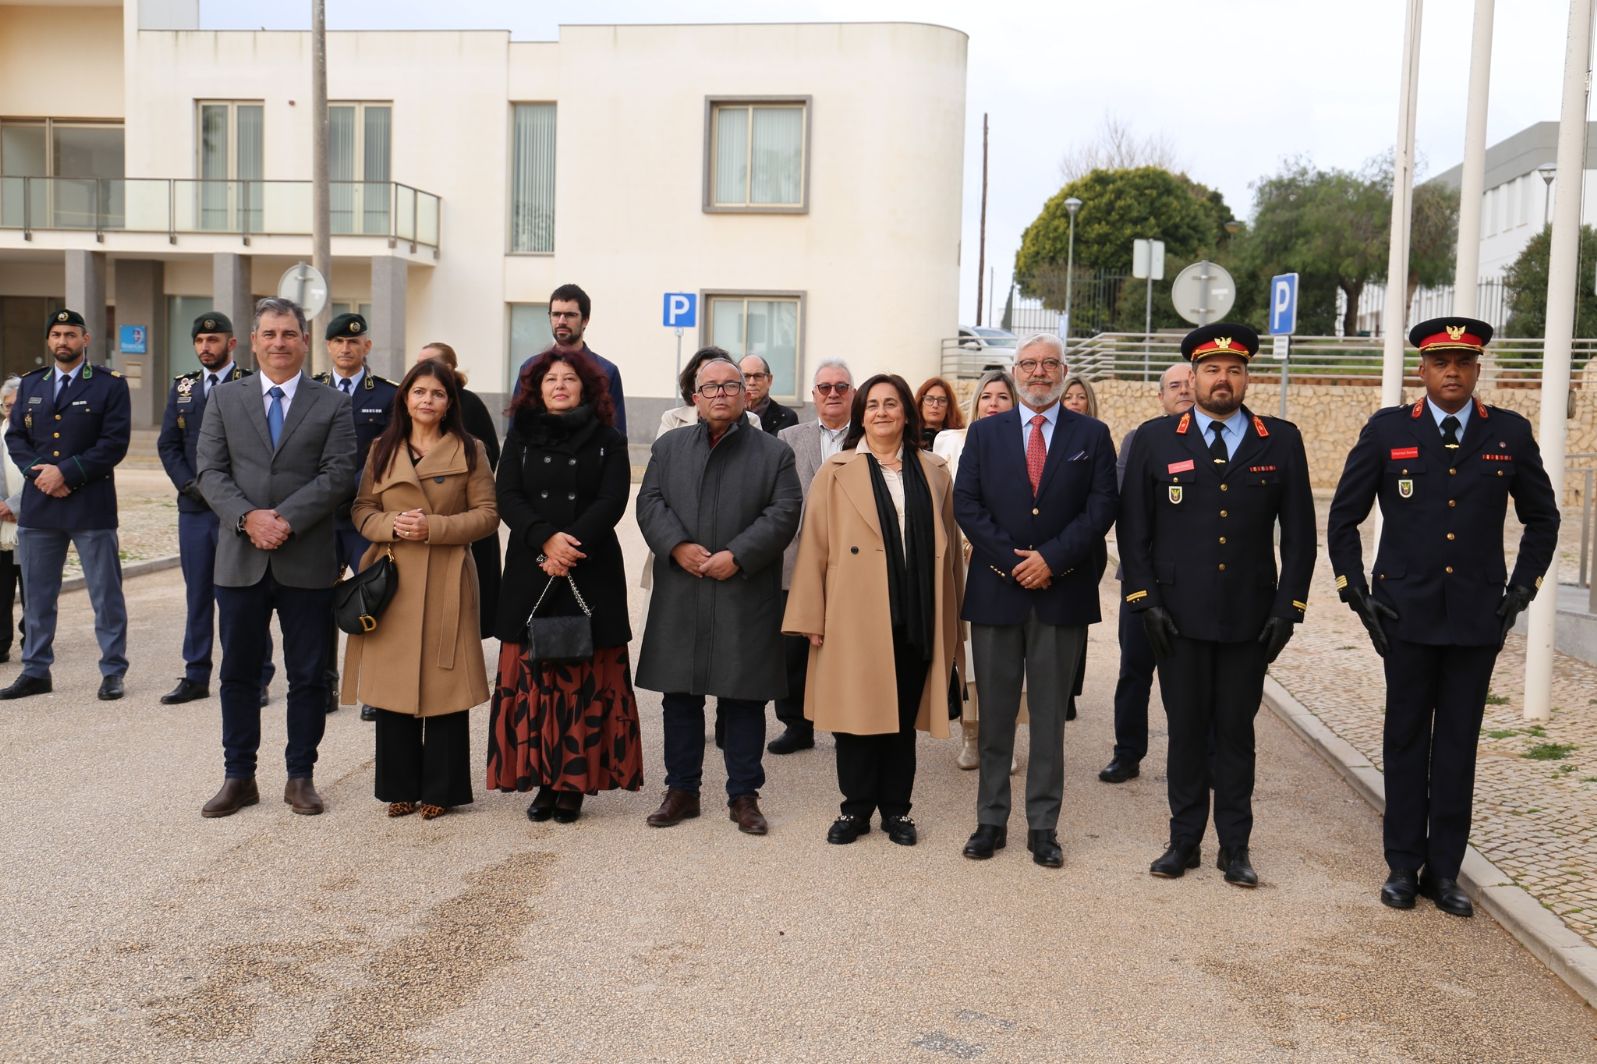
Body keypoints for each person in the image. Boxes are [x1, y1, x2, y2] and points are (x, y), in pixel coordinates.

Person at [1327, 316, 1558, 917]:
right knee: (1406, 739)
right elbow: (1344, 517)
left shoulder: (1508, 432)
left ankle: (1445, 871)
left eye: (1463, 362)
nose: (1451, 372)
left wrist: (1523, 588)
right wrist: (1355, 590)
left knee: (1458, 744)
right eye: (1440, 362)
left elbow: (1543, 518)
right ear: (1422, 369)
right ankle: (1403, 866)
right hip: (1404, 613)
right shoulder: (1387, 431)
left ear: (1477, 368)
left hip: (1478, 616)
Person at [1119, 323, 1315, 888]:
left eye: (1233, 369)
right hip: (1176, 618)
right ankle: (1183, 841)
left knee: (1235, 733)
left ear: (1247, 377)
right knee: (1184, 732)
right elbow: (1133, 530)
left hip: (1249, 618)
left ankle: (1235, 846)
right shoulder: (1157, 439)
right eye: (1211, 370)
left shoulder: (1280, 439)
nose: (1222, 379)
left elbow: (1300, 535)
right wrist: (1145, 601)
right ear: (1194, 377)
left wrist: (1288, 608)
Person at [953, 333, 1118, 868]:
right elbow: (966, 504)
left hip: (1061, 593)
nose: (1039, 372)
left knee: (1048, 720)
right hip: (996, 593)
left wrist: (1051, 560)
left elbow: (1101, 508)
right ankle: (990, 820)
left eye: (1049, 363)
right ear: (1015, 371)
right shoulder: (985, 432)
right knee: (995, 715)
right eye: (1029, 364)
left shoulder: (1092, 435)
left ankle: (1043, 827)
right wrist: (1013, 562)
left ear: (1064, 371)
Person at [194, 297, 357, 818]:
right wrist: (248, 519)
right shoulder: (225, 399)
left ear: (305, 341)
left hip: (306, 559)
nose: (279, 343)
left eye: (289, 333)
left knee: (308, 675)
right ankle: (238, 776)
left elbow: (339, 473)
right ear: (254, 340)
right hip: (240, 560)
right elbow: (210, 471)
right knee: (239, 674)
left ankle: (300, 776)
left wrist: (284, 519)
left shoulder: (331, 403)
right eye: (270, 334)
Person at [784, 373, 963, 846]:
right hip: (853, 611)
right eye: (873, 405)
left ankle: (897, 810)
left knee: (902, 718)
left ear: (906, 412)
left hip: (917, 610)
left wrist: (954, 615)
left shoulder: (934, 470)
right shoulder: (836, 471)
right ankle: (855, 808)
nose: (881, 412)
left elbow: (949, 547)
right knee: (855, 715)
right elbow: (814, 546)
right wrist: (810, 615)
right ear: (861, 416)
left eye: (891, 403)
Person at [635, 357, 802, 835]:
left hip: (743, 589)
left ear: (746, 395)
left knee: (745, 696)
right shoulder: (669, 447)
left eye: (731, 385)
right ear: (695, 397)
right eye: (710, 387)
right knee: (679, 696)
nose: (721, 394)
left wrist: (739, 555)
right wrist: (677, 546)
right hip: (682, 587)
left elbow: (785, 510)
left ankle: (744, 795)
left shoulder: (774, 453)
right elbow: (650, 502)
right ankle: (681, 791)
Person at [488, 347, 642, 823]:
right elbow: (507, 495)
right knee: (534, 680)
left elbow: (613, 498)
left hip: (588, 566)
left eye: (569, 379)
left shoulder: (609, 439)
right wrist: (545, 541)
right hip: (533, 566)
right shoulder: (520, 436)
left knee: (584, 681)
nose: (559, 385)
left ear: (586, 388)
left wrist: (570, 546)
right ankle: (541, 780)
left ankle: (573, 783)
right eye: (550, 379)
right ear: (537, 389)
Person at [340, 359, 498, 820]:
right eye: (419, 391)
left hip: (447, 575)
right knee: (393, 683)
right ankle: (399, 787)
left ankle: (442, 789)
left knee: (445, 685)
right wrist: (392, 524)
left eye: (437, 393)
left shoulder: (470, 450)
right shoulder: (382, 448)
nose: (427, 400)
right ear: (405, 398)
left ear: (450, 403)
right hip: (391, 580)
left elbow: (488, 515)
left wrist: (435, 528)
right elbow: (362, 509)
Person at [0, 308, 131, 702]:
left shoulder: (109, 385)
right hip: (40, 507)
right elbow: (16, 438)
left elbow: (113, 443)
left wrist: (66, 474)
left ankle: (113, 671)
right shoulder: (31, 384)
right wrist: (40, 474)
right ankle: (36, 671)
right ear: (49, 340)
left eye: (71, 334)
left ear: (85, 339)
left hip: (90, 505)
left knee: (105, 595)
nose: (63, 341)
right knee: (38, 596)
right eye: (56, 334)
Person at [156, 312, 274, 707]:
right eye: (200, 341)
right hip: (195, 508)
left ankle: (257, 674)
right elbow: (169, 445)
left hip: (239, 510)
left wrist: (229, 497)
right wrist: (191, 485)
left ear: (232, 343)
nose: (206, 347)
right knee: (198, 594)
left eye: (214, 340)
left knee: (245, 595)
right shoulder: (183, 387)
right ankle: (196, 674)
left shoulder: (250, 384)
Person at [1100, 362, 1193, 784]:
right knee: (1134, 671)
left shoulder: (1218, 440)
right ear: (1161, 396)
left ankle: (1194, 757)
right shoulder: (1140, 439)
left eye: (1189, 383)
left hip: (1194, 582)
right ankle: (1127, 753)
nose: (1183, 390)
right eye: (1174, 385)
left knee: (1190, 678)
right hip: (1142, 576)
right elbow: (1123, 503)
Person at [315, 312, 399, 720]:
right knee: (317, 603)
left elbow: (387, 454)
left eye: (353, 342)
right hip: (320, 519)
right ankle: (324, 686)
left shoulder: (387, 394)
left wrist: (345, 488)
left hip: (364, 516)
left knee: (371, 600)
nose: (346, 348)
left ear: (367, 346)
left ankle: (374, 688)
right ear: (328, 346)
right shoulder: (311, 390)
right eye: (338, 342)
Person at [932, 368, 1018, 770]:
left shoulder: (1026, 443)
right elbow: (944, 500)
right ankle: (971, 734)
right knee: (966, 652)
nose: (994, 404)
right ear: (976, 401)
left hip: (1006, 559)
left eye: (1002, 396)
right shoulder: (950, 441)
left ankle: (1003, 738)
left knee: (1008, 655)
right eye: (987, 396)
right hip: (961, 562)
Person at [769, 359, 855, 755]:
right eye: (825, 387)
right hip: (797, 557)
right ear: (813, 394)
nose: (833, 393)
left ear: (853, 393)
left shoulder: (868, 435)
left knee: (845, 647)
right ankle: (796, 725)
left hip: (852, 562)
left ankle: (844, 725)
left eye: (841, 386)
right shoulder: (788, 437)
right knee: (793, 650)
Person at [416, 341, 502, 638]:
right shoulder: (413, 406)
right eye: (419, 363)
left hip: (463, 511)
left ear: (450, 368)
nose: (424, 369)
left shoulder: (470, 404)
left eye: (430, 362)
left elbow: (489, 454)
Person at [517, 284, 627, 437]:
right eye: (556, 314)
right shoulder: (531, 368)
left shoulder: (606, 371)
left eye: (570, 315)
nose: (561, 321)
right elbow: (517, 428)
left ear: (585, 320)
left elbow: (617, 434)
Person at [1058, 375, 1105, 723]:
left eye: (1080, 396)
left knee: (1075, 620)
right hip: (1048, 539)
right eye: (1068, 396)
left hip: (1086, 544)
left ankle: (1069, 691)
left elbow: (1103, 496)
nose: (1075, 402)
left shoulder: (1097, 436)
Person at [656, 346, 762, 437]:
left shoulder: (750, 421)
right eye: (708, 381)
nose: (719, 392)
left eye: (728, 384)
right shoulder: (673, 419)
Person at [0, 376, 22, 663]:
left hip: (30, 522)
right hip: (1, 527)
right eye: (7, 405)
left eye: (17, 405)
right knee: (1, 589)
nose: (11, 411)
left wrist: (15, 507)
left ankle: (34, 643)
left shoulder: (40, 437)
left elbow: (43, 477)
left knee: (34, 592)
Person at [740, 354, 799, 437]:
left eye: (758, 376)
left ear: (769, 380)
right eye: (746, 376)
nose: (752, 382)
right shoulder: (729, 415)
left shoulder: (787, 418)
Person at [914, 376, 963, 450]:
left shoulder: (958, 439)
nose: (935, 405)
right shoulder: (908, 438)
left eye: (942, 400)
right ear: (921, 404)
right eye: (929, 399)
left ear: (948, 407)